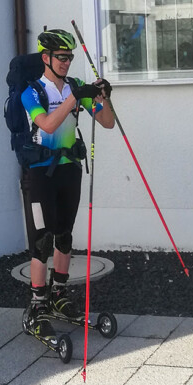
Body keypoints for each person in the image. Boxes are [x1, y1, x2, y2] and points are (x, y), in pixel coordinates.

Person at [20, 28, 115, 340]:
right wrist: (76, 96)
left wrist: (102, 97)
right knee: (42, 241)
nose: (66, 62)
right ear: (46, 58)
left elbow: (107, 122)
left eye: (70, 57)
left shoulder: (74, 87)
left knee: (64, 236)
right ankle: (37, 305)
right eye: (61, 57)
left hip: (69, 170)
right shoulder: (32, 92)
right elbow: (47, 124)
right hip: (39, 174)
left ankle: (58, 293)